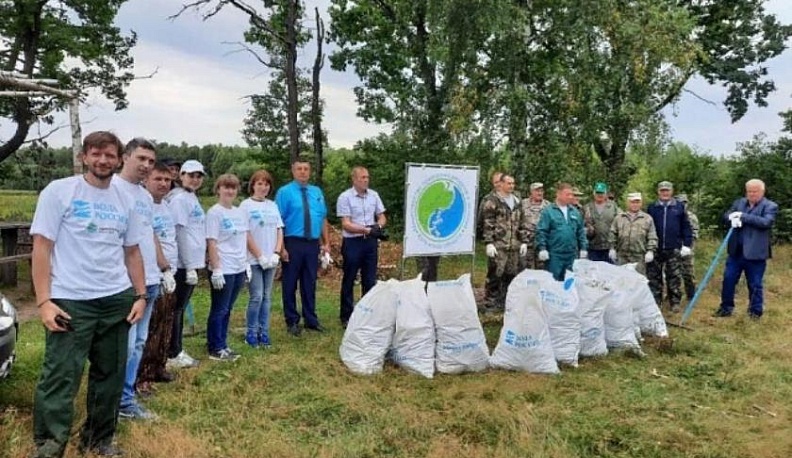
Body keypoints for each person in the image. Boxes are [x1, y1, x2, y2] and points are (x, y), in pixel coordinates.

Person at [30, 131, 147, 458]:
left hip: (115, 300)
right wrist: (43, 301)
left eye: (109, 154)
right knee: (60, 377)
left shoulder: (126, 200)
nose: (102, 160)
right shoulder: (60, 192)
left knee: (109, 376)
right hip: (70, 301)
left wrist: (140, 296)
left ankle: (98, 440)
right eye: (95, 154)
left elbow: (133, 251)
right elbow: (42, 248)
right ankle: (49, 447)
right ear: (84, 156)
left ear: (119, 159)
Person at [111, 138, 164, 421]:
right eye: (141, 158)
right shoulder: (113, 190)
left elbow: (148, 234)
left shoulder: (145, 196)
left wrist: (162, 268)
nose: (145, 165)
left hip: (150, 279)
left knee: (140, 342)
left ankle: (126, 398)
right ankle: (116, 401)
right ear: (125, 157)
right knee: (126, 345)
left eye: (150, 161)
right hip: (127, 283)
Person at [275, 159, 330, 336]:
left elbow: (322, 218)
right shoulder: (284, 192)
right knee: (290, 283)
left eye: (306, 169)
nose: (303, 172)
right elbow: (278, 222)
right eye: (299, 168)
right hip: (293, 242)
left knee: (309, 283)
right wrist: (281, 247)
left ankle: (311, 319)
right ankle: (292, 320)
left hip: (312, 243)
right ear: (293, 171)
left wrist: (326, 242)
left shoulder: (316, 192)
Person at [137, 162, 179, 393]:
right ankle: (141, 375)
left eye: (167, 180)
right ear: (146, 180)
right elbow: (151, 241)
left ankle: (158, 365)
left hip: (169, 271)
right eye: (158, 179)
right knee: (149, 327)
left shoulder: (166, 205)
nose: (163, 183)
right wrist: (163, 268)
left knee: (166, 321)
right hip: (151, 274)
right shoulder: (144, 205)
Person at [714, 179, 778, 320]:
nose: (752, 194)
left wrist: (743, 216)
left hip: (755, 254)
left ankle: (755, 312)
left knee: (755, 283)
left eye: (755, 191)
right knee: (728, 280)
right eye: (749, 191)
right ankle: (726, 308)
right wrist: (731, 217)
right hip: (736, 252)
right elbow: (726, 215)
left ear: (762, 191)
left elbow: (766, 222)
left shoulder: (770, 206)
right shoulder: (739, 203)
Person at [167, 159, 206, 368]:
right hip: (183, 265)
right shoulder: (180, 199)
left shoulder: (191, 197)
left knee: (179, 308)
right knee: (177, 309)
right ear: (181, 176)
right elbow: (179, 232)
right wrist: (189, 265)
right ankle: (173, 352)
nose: (195, 179)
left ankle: (176, 348)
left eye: (199, 176)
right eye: (191, 175)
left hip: (191, 263)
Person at [205, 174, 249, 360]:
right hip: (224, 268)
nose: (230, 191)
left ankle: (222, 343)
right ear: (218, 190)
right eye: (226, 187)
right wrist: (216, 269)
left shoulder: (239, 212)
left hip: (238, 267)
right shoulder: (215, 213)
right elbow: (212, 242)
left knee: (228, 308)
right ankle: (215, 347)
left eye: (233, 187)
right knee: (219, 308)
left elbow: (243, 239)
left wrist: (246, 263)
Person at [337, 166, 387, 327]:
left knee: (370, 279)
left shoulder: (374, 195)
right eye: (362, 177)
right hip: (353, 242)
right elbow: (346, 224)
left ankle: (367, 313)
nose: (366, 180)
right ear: (354, 179)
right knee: (349, 278)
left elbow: (382, 216)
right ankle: (346, 315)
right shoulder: (345, 197)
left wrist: (377, 227)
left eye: (367, 177)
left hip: (370, 242)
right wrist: (366, 229)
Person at [240, 170, 284, 347]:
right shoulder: (245, 206)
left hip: (271, 259)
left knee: (267, 297)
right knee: (256, 296)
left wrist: (276, 252)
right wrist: (259, 255)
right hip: (254, 259)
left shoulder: (272, 205)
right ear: (253, 185)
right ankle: (250, 331)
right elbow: (246, 233)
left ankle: (263, 331)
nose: (263, 187)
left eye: (266, 184)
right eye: (259, 184)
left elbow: (279, 229)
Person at [480, 173, 526, 312]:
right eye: (508, 183)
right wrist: (489, 242)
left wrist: (523, 240)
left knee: (511, 274)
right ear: (501, 184)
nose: (511, 186)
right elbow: (487, 223)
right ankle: (490, 304)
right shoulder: (493, 201)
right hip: (499, 245)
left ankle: (505, 302)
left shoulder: (517, 201)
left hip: (514, 245)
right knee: (495, 275)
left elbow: (521, 222)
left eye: (513, 183)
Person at [646, 181, 693, 312]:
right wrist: (648, 247)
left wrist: (687, 244)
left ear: (671, 191)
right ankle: (656, 301)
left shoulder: (679, 207)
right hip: (656, 248)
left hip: (674, 247)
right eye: (662, 191)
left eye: (667, 190)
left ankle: (675, 302)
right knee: (654, 277)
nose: (665, 193)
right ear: (658, 192)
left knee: (674, 276)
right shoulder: (652, 207)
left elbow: (686, 227)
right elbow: (647, 227)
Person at [536, 182, 588, 281]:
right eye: (567, 194)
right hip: (554, 255)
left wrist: (583, 248)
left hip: (571, 254)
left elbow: (580, 231)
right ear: (558, 194)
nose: (570, 197)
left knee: (569, 283)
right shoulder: (548, 211)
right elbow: (542, 231)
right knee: (553, 283)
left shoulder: (575, 212)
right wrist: (542, 248)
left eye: (571, 194)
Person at [609, 192, 658, 275]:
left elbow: (652, 236)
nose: (635, 204)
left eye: (637, 202)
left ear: (641, 203)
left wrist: (651, 251)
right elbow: (613, 233)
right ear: (628, 203)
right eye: (632, 202)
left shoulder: (647, 218)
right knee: (621, 281)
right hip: (622, 256)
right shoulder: (619, 218)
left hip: (639, 257)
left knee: (638, 282)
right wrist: (612, 248)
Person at [583, 182, 619, 262]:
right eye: (598, 193)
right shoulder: (587, 207)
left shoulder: (613, 207)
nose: (600, 195)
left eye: (602, 193)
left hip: (609, 248)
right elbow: (580, 227)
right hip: (592, 248)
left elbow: (620, 223)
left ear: (606, 194)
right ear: (594, 193)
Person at [519, 182, 550, 269]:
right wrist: (523, 241)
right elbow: (517, 223)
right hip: (526, 243)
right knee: (526, 271)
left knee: (542, 272)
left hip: (543, 244)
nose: (540, 193)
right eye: (537, 191)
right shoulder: (522, 204)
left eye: (541, 191)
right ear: (531, 192)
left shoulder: (548, 206)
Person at [675, 194, 699, 300]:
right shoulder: (674, 214)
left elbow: (695, 234)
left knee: (688, 272)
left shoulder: (691, 217)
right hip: (674, 248)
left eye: (685, 202)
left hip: (687, 248)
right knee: (673, 272)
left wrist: (687, 246)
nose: (683, 204)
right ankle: (674, 295)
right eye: (681, 202)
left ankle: (691, 295)